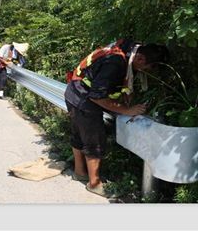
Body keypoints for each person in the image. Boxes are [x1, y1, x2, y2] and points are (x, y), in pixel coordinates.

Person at [64, 39, 169, 198]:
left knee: (79, 135)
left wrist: (124, 98)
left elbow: (122, 80)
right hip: (83, 99)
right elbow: (97, 97)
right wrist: (127, 110)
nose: (147, 71)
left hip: (74, 91)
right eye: (147, 68)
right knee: (94, 140)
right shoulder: (115, 63)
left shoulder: (130, 49)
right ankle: (94, 184)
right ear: (140, 58)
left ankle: (80, 172)